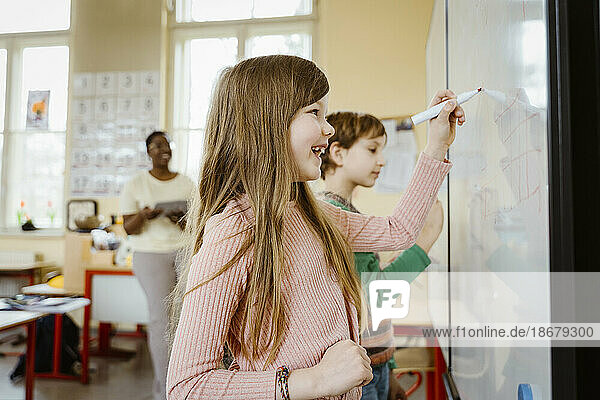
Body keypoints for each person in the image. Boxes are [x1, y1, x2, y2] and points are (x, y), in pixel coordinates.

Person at [167, 55, 465, 400]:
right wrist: (315, 381)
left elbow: (397, 230)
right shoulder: (234, 230)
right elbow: (187, 386)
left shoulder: (314, 214)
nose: (329, 128)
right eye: (314, 113)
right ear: (269, 123)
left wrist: (437, 144)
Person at [318, 112, 444, 400]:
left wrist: (389, 366)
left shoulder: (349, 214)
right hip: (361, 374)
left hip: (376, 365)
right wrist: (423, 244)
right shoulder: (335, 219)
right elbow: (377, 296)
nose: (382, 160)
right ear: (337, 153)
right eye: (372, 149)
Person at [120, 131, 195, 400]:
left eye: (168, 145)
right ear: (148, 151)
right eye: (158, 145)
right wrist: (143, 214)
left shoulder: (186, 183)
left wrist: (179, 218)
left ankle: (189, 382)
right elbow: (129, 228)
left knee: (188, 319)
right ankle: (165, 390)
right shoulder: (137, 184)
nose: (165, 149)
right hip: (150, 254)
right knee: (161, 320)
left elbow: (196, 224)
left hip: (184, 251)